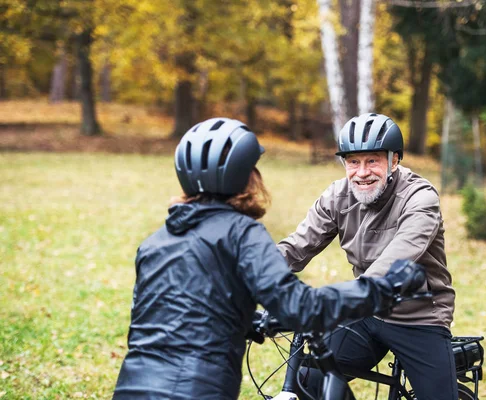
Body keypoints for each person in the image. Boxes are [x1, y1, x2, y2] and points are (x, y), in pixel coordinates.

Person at [112, 117, 424, 400]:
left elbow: (174, 314)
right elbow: (304, 307)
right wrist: (385, 287)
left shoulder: (155, 243)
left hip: (131, 386)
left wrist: (248, 320)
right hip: (198, 388)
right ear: (245, 176)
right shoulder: (241, 233)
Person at [277, 113, 457, 400]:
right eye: (353, 162)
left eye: (372, 160)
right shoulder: (337, 196)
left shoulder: (420, 197)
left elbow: (398, 260)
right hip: (365, 313)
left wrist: (344, 297)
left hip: (418, 317)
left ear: (394, 160)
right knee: (309, 382)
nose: (362, 172)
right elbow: (297, 246)